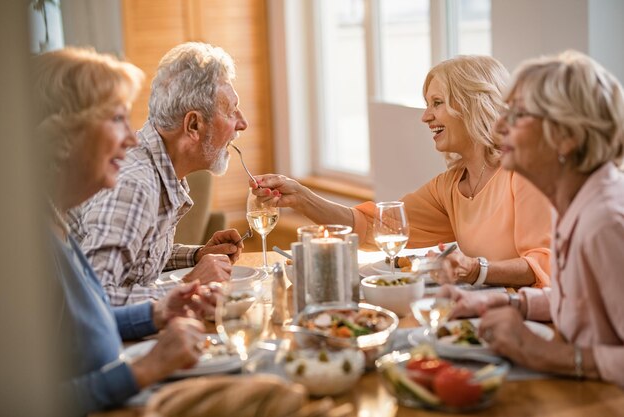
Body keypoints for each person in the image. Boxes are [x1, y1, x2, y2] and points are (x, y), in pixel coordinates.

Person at [253, 56, 551, 288]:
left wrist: (475, 269)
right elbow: (374, 227)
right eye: (427, 104)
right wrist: (302, 199)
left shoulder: (524, 173)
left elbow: (544, 264)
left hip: (533, 322)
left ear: (473, 104)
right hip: (482, 314)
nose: (425, 116)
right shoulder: (448, 187)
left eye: (437, 103)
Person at [35, 47, 217, 414]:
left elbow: (81, 328)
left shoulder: (53, 219)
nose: (132, 139)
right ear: (65, 135)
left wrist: (157, 312)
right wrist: (145, 369)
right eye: (117, 119)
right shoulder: (23, 248)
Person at [440, 50, 624, 388]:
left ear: (566, 136)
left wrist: (547, 354)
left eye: (518, 115)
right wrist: (513, 301)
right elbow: (583, 303)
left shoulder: (606, 223)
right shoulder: (572, 202)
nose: (498, 125)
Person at [67, 42, 250, 306]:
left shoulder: (161, 169)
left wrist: (196, 256)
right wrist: (188, 288)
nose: (242, 123)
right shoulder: (134, 185)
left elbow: (136, 257)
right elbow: (90, 301)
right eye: (231, 110)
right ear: (194, 125)